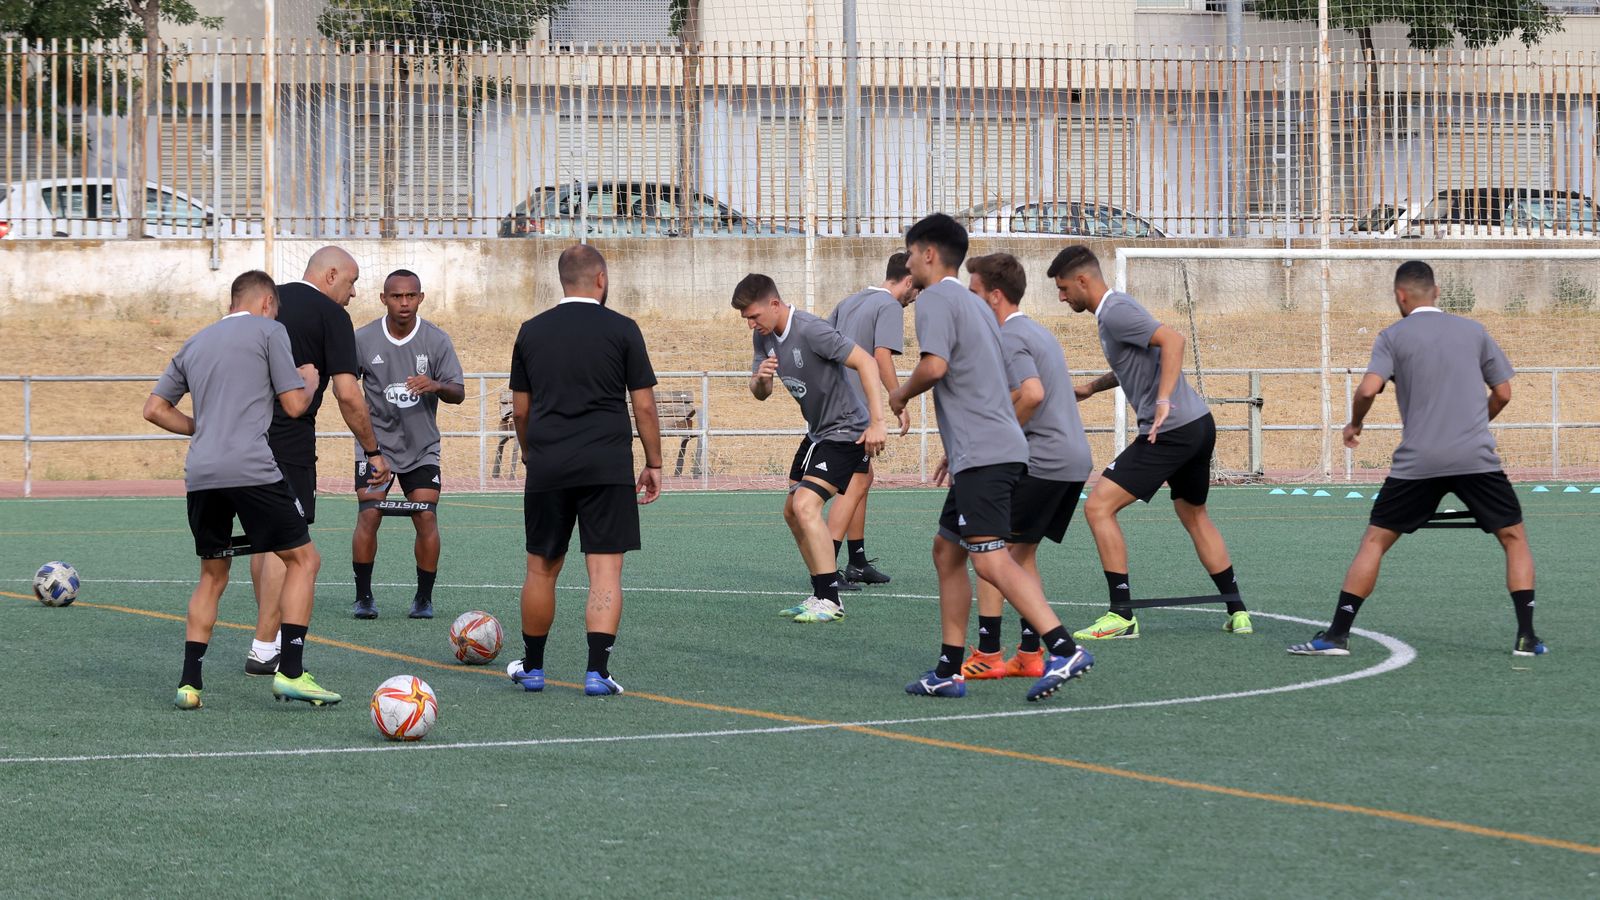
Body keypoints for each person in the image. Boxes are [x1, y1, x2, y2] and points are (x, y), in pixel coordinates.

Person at [1289, 261, 1545, 658]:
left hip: (1418, 462)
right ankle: (1527, 637)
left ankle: (1337, 635)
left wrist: (1355, 424)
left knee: (1375, 541)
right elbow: (1504, 393)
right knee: (1514, 538)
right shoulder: (1474, 331)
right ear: (1437, 292)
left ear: (1400, 296)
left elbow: (1368, 389)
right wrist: (1474, 424)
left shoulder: (1392, 336)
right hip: (1475, 458)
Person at [887, 213, 1093, 701]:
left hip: (985, 452)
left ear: (928, 254)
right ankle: (948, 670)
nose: (908, 263)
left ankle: (1064, 649)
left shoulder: (935, 298)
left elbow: (934, 366)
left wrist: (898, 395)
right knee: (947, 552)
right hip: (986, 449)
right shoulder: (976, 306)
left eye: (911, 253)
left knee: (991, 560)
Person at [143, 271, 340, 709]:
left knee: (212, 576)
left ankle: (189, 684)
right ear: (267, 302)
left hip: (202, 473)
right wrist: (309, 378)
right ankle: (291, 672)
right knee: (304, 560)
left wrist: (202, 428)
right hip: (251, 468)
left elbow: (154, 409)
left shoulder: (195, 342)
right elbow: (294, 405)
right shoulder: (270, 332)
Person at [1050, 244, 1252, 641]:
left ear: (1082, 281)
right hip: (1197, 425)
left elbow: (1173, 341)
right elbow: (1134, 362)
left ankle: (1122, 615)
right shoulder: (1115, 312)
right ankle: (1238, 611)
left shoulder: (1115, 311)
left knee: (1098, 507)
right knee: (1194, 515)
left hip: (1171, 430)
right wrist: (1091, 388)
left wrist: (1162, 400)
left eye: (1063, 288)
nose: (1061, 297)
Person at [505, 245, 663, 697]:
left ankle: (533, 668)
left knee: (541, 569)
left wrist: (531, 453)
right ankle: (597, 672)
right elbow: (644, 406)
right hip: (606, 465)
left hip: (549, 465)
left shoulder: (531, 331)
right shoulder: (623, 329)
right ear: (601, 279)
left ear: (561, 280)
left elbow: (521, 410)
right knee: (605, 571)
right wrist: (654, 462)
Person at [248, 246, 391, 671]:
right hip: (287, 439)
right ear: (330, 276)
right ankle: (265, 647)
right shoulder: (332, 316)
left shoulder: (266, 301)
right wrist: (373, 451)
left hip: (242, 435)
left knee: (263, 541)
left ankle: (268, 639)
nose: (353, 293)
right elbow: (348, 394)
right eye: (351, 282)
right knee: (291, 547)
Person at [955, 253, 1095, 681]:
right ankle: (1030, 654)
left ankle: (990, 653)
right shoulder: (1036, 330)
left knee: (989, 550)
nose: (969, 300)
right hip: (1071, 459)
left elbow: (1032, 394)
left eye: (974, 292)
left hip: (1043, 459)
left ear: (995, 296)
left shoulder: (1009, 336)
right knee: (1021, 554)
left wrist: (993, 440)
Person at [733, 273, 889, 625]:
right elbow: (761, 394)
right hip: (818, 433)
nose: (750, 324)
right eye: (745, 318)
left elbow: (866, 361)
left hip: (847, 430)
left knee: (806, 505)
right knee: (792, 511)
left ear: (775, 304)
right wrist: (761, 381)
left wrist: (878, 423)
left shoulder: (810, 329)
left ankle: (831, 600)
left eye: (753, 316)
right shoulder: (763, 337)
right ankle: (821, 593)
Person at [350, 269, 465, 620]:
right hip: (375, 447)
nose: (404, 302)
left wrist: (436, 385)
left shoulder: (436, 340)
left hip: (421, 447)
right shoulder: (363, 339)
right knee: (369, 514)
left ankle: (423, 599)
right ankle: (364, 597)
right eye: (396, 296)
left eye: (411, 296)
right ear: (383, 299)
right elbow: (345, 387)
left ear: (421, 298)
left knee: (426, 516)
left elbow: (458, 392)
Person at [823, 252, 918, 590]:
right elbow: (881, 356)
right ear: (908, 281)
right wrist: (897, 399)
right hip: (855, 410)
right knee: (855, 483)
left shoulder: (849, 301)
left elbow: (824, 345)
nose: (915, 297)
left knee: (863, 477)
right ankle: (826, 568)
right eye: (917, 289)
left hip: (835, 405)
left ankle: (857, 561)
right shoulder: (889, 305)